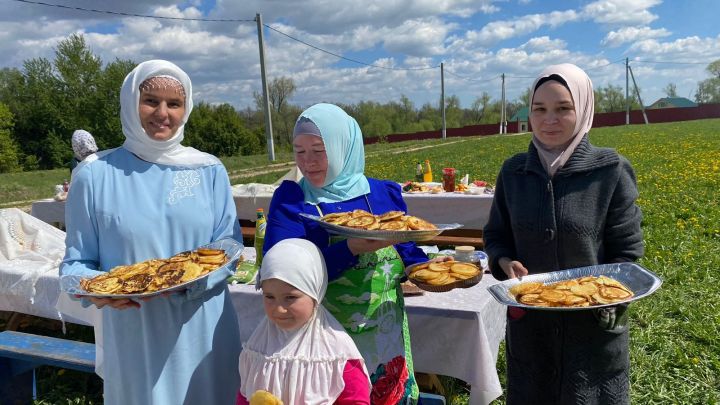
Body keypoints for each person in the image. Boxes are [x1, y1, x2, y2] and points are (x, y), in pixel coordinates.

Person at [60, 60, 242, 404]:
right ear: (130, 102)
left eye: (174, 103)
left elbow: (228, 246)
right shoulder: (95, 174)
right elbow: (76, 264)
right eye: (151, 101)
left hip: (203, 329)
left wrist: (189, 283)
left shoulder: (208, 169)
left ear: (186, 109)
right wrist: (91, 290)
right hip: (135, 334)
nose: (163, 113)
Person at [483, 63, 644, 404]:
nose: (548, 120)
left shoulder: (610, 170)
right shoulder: (514, 172)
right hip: (531, 329)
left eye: (563, 109)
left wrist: (605, 302)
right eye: (539, 109)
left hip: (593, 333)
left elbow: (627, 253)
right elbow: (495, 236)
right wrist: (505, 261)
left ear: (583, 109)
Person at [263, 103, 428, 403]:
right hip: (322, 339)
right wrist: (349, 249)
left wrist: (427, 267)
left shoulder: (382, 194)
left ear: (344, 146)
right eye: (299, 151)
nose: (307, 162)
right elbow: (281, 275)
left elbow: (406, 248)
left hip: (385, 333)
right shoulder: (292, 202)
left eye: (318, 150)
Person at [238, 238, 371, 404]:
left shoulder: (335, 354)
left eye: (290, 297)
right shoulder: (257, 347)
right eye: (269, 297)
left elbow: (356, 400)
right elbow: (245, 394)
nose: (279, 309)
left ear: (315, 293)